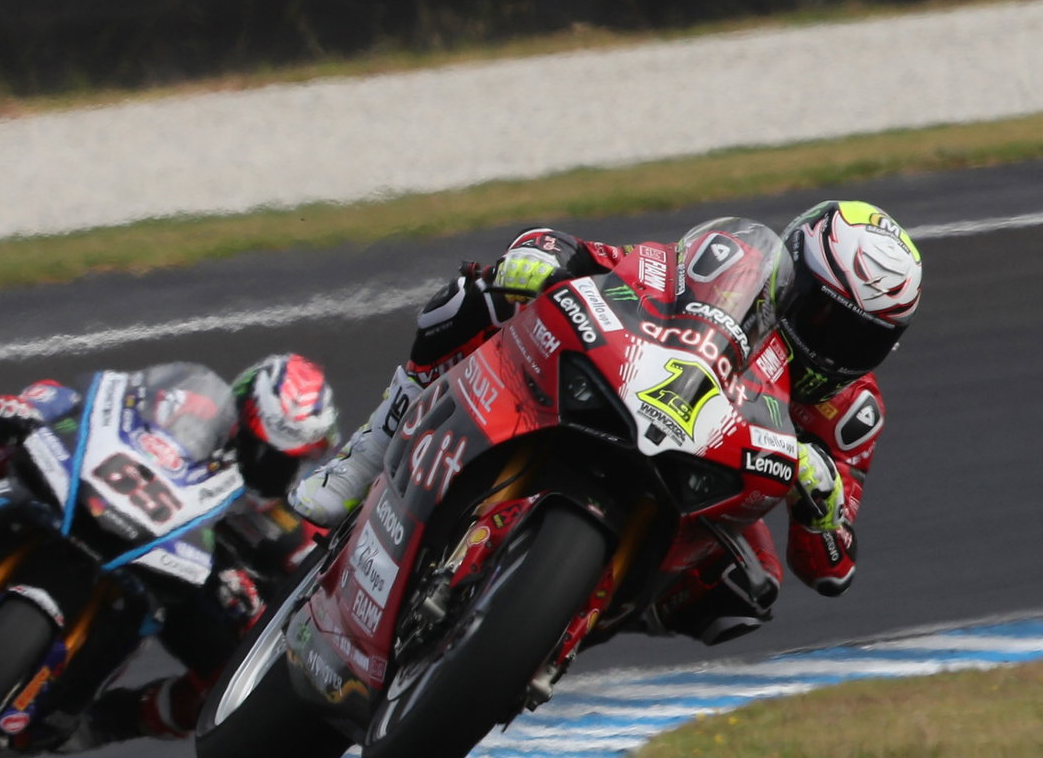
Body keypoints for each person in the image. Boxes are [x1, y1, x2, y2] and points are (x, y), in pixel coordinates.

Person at [291, 200, 923, 645]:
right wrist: (548, 255)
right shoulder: (728, 263)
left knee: (749, 585)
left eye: (859, 339)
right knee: (474, 297)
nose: (833, 346)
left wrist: (822, 500)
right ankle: (372, 449)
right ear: (791, 275)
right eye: (821, 317)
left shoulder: (850, 413)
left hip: (714, 479)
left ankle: (567, 617)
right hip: (638, 382)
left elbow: (832, 568)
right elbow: (625, 264)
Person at [0, 353, 340, 743]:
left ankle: (107, 720)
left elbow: (312, 584)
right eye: (268, 452)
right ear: (242, 419)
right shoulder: (195, 407)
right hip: (109, 502)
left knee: (234, 680)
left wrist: (253, 600)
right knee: (8, 430)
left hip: (180, 584)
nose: (276, 470)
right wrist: (37, 408)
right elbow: (117, 399)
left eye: (291, 461)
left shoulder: (289, 515)